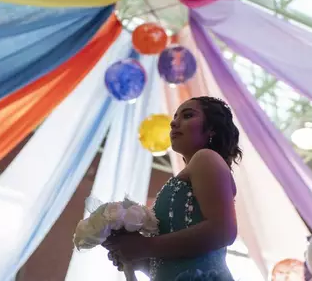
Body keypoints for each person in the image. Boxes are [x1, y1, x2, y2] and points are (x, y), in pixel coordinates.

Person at [103, 96, 242, 280]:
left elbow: (223, 231)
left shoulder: (206, 158)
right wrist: (137, 259)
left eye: (188, 116)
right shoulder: (193, 169)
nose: (174, 123)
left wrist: (144, 246)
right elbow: (174, 263)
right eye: (174, 118)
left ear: (212, 129)